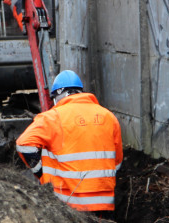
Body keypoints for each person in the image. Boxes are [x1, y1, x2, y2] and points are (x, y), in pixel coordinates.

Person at [16, 70, 123, 215]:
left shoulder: (52, 118)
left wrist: (40, 173)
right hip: (103, 204)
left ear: (57, 97)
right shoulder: (109, 117)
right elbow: (116, 162)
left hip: (68, 204)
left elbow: (24, 144)